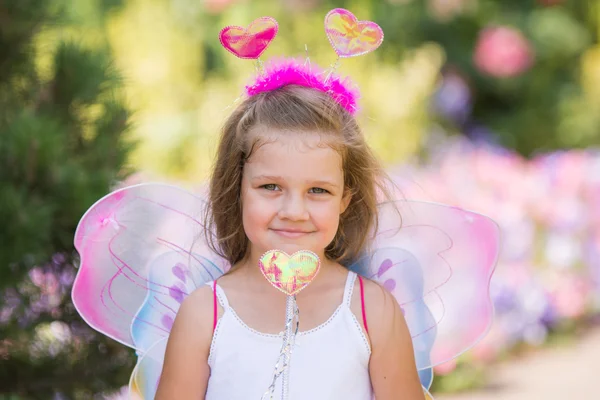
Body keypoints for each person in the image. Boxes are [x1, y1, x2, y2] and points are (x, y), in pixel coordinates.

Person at [153, 78, 426, 399]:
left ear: (345, 199)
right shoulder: (204, 315)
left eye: (318, 190)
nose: (294, 211)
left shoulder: (373, 311)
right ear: (238, 187)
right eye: (270, 187)